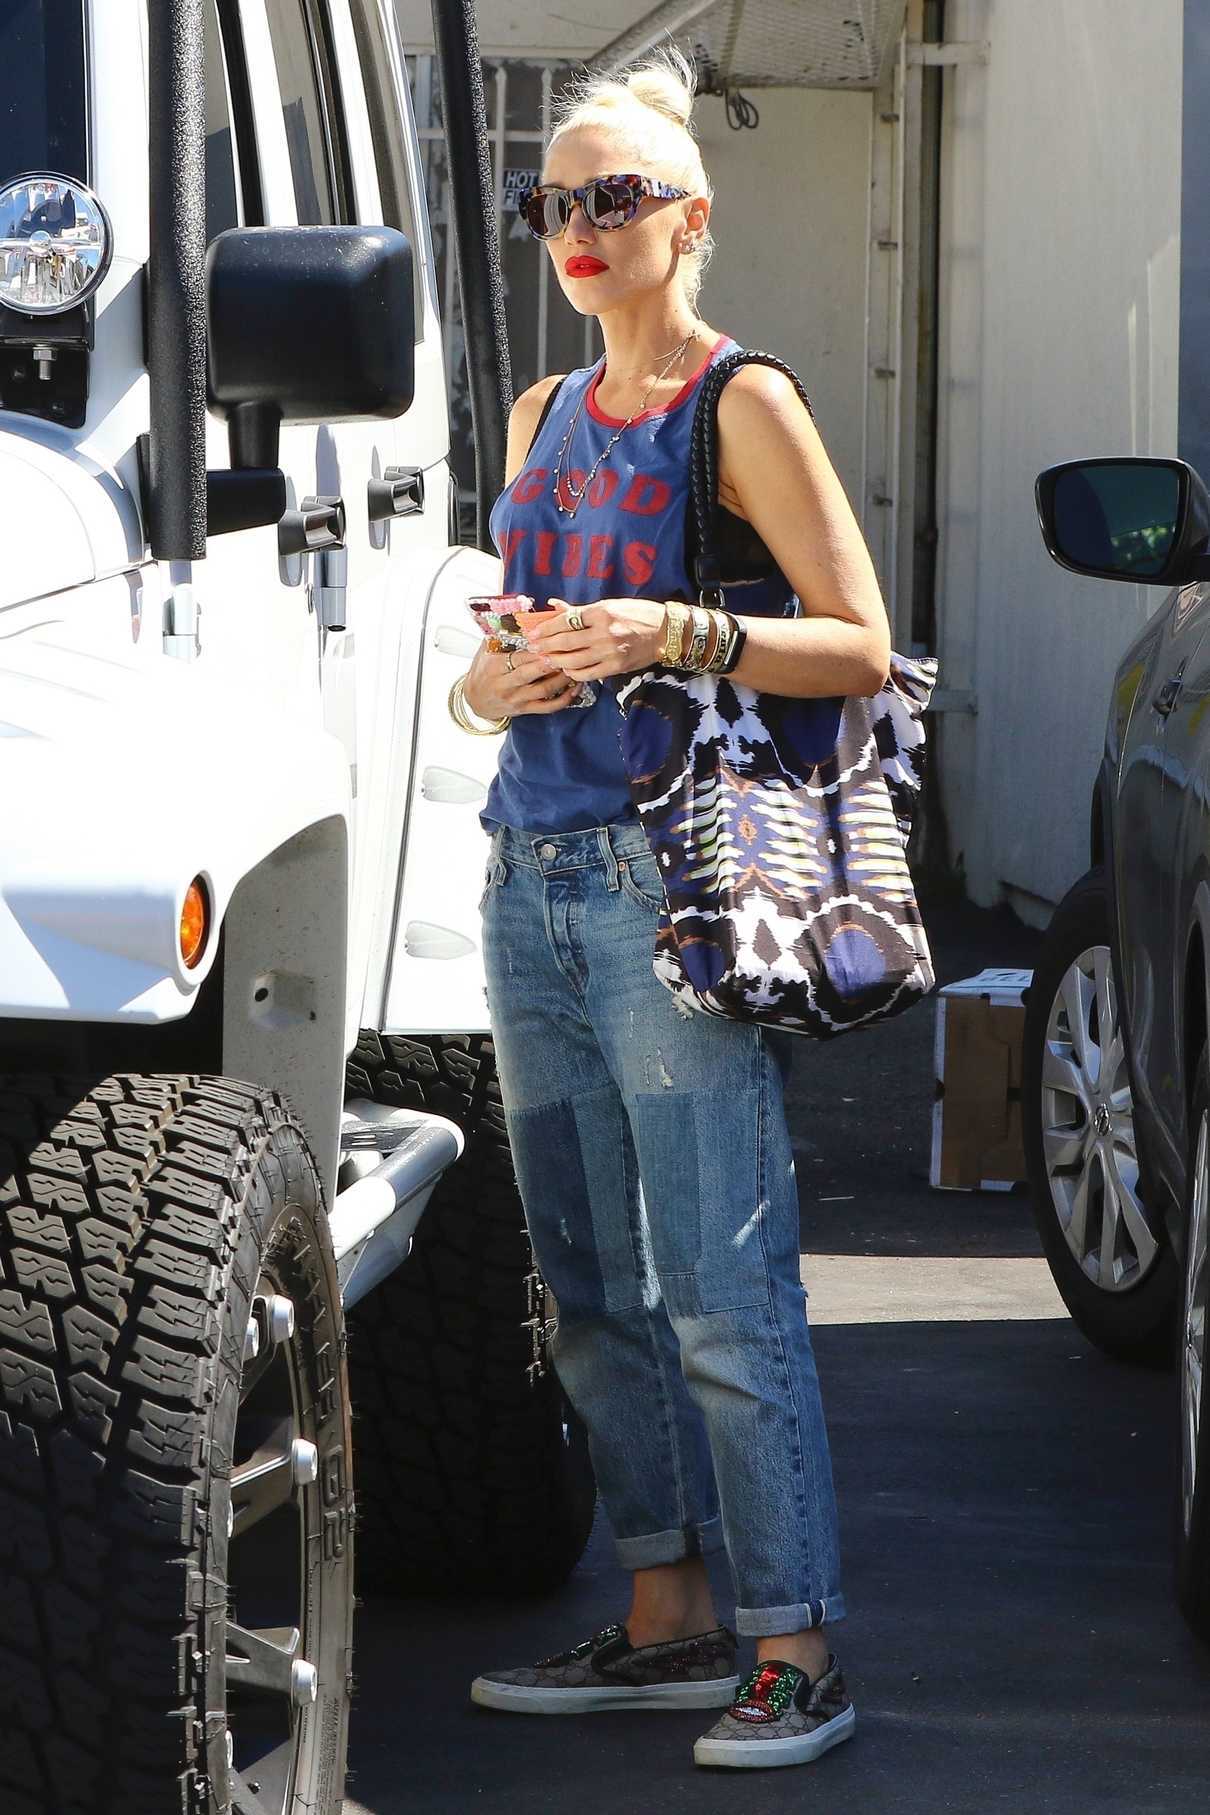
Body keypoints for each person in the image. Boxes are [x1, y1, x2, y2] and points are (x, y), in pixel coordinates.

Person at [450, 43, 890, 1772]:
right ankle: (664, 1618)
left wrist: (670, 632)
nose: (576, 227)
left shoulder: (741, 399)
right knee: (587, 1281)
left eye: (610, 199)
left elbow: (855, 642)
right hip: (530, 868)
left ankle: (794, 1647)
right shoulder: (541, 417)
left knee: (719, 1280)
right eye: (552, 203)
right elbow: (490, 671)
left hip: (671, 883)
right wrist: (507, 684)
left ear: (687, 218)